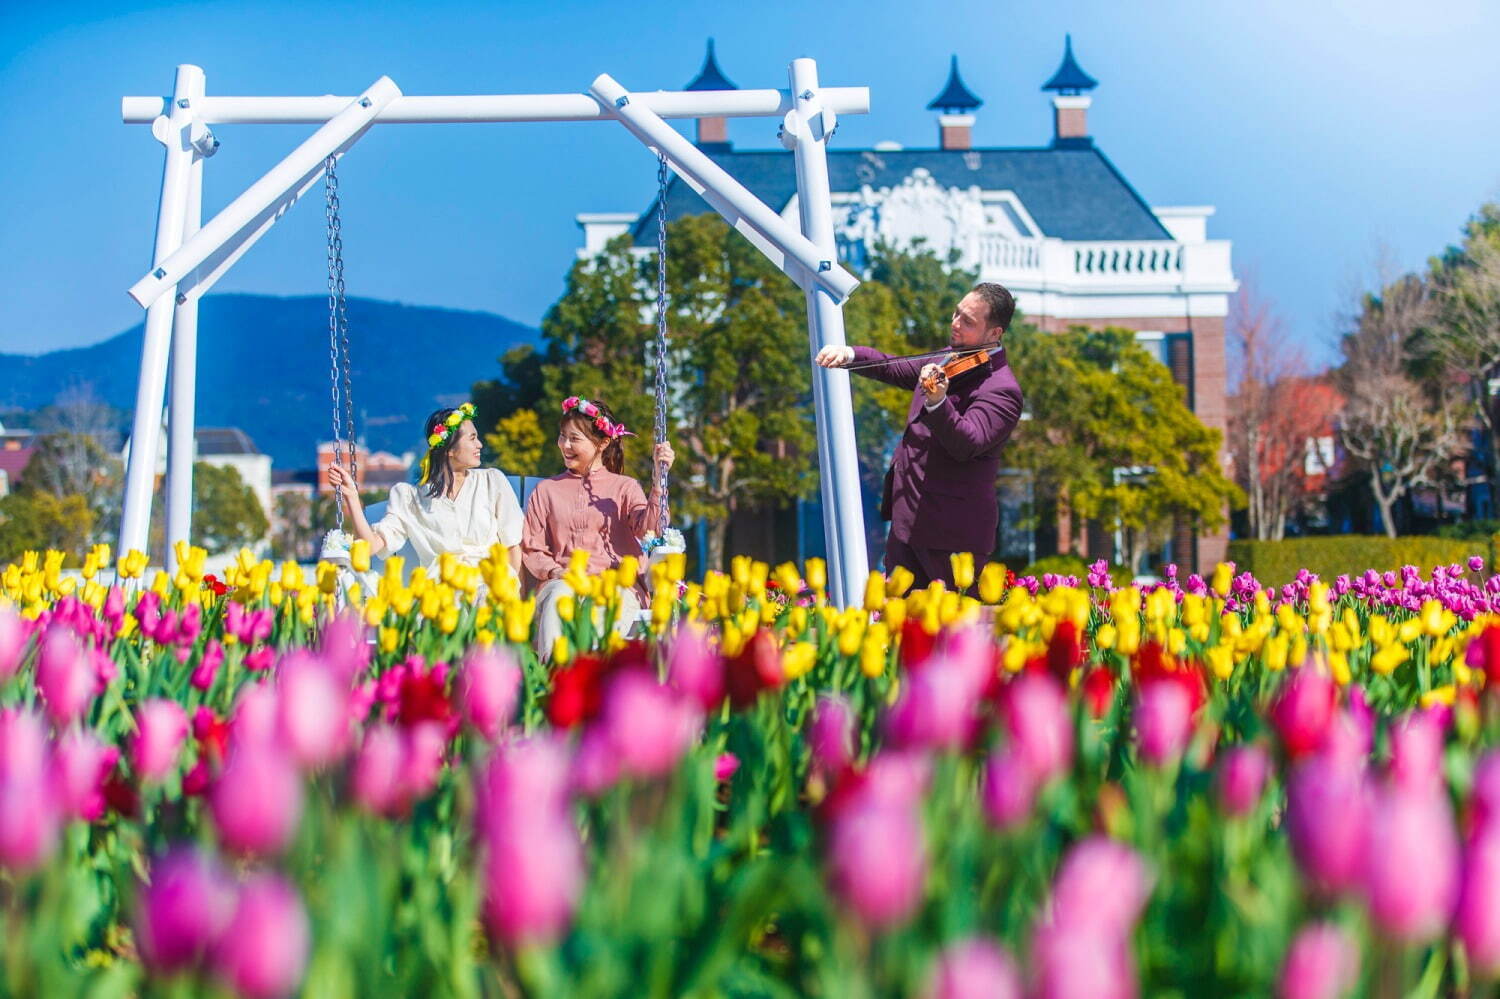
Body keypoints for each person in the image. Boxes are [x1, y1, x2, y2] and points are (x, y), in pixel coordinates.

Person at [815, 282, 1024, 589]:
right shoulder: (947, 358)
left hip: (951, 532)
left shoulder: (1002, 390)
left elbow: (968, 443)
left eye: (968, 322)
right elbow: (891, 367)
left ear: (994, 334)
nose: (955, 324)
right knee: (901, 626)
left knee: (948, 629)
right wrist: (849, 354)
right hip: (907, 522)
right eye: (956, 313)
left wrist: (938, 402)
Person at [522, 396, 674, 654]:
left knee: (608, 605)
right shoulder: (546, 490)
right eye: (562, 436)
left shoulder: (625, 487)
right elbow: (532, 547)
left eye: (574, 439)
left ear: (603, 443)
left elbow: (651, 530)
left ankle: (595, 682)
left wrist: (659, 481)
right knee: (558, 597)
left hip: (616, 584)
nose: (565, 445)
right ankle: (553, 682)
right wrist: (554, 572)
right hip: (564, 580)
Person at [326, 402, 523, 575]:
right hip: (442, 591)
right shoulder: (410, 499)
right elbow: (371, 546)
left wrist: (512, 597)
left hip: (489, 585)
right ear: (449, 449)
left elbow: (513, 546)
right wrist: (351, 496)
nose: (480, 444)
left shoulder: (492, 482)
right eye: (472, 438)